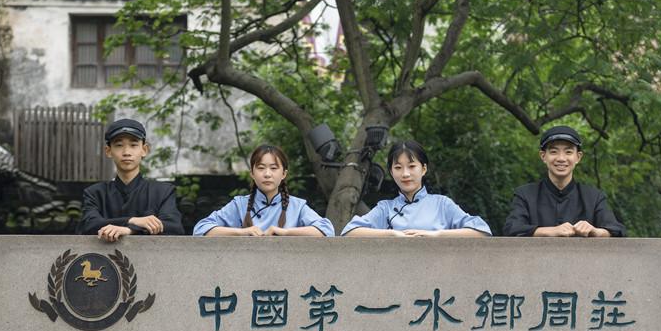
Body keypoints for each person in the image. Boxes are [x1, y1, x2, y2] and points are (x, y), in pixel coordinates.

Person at [341, 140, 491, 237]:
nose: (405, 174)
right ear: (391, 172)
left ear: (424, 169)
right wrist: (392, 235)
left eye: (412, 166)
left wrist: (437, 235)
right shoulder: (385, 208)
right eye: (398, 167)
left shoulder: (442, 204)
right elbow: (349, 232)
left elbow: (482, 231)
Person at [503, 125, 626, 237]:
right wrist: (550, 231)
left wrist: (595, 231)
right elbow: (511, 228)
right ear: (543, 156)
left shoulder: (594, 197)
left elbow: (617, 230)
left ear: (578, 157)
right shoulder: (525, 194)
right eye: (554, 152)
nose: (561, 158)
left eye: (568, 152)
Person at [77, 118, 184, 241]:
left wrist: (131, 230)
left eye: (133, 145)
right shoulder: (95, 193)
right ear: (108, 151)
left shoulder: (162, 192)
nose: (126, 152)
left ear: (144, 150)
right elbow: (88, 225)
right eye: (119, 145)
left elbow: (174, 227)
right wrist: (132, 220)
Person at [193, 144, 334, 237]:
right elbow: (201, 229)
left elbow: (327, 230)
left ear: (284, 174)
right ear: (252, 173)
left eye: (273, 168)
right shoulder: (239, 205)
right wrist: (242, 232)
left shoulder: (297, 206)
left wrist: (284, 232)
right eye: (261, 168)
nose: (267, 174)